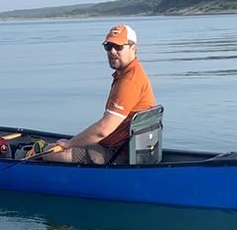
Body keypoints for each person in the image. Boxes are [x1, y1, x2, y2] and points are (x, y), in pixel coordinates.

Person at [44, 24, 156, 164]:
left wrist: (69, 144)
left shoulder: (130, 81)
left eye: (118, 47)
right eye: (108, 47)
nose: (112, 51)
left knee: (51, 152)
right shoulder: (128, 74)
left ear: (133, 48)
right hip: (121, 148)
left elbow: (103, 130)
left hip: (118, 155)